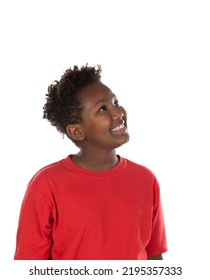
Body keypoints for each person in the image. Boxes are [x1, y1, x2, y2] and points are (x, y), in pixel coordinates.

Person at [14, 65, 167, 260]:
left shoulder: (145, 179)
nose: (118, 112)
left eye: (115, 102)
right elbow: (29, 265)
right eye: (103, 108)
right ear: (76, 131)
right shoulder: (46, 185)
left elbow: (154, 257)